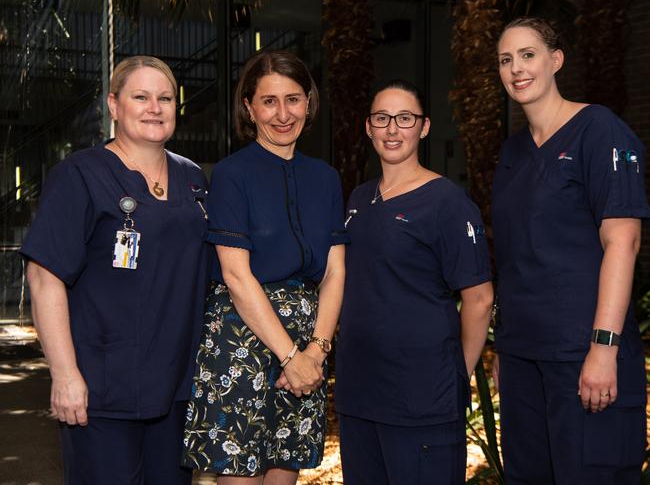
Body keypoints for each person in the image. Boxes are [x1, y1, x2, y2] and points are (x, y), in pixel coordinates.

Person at [21, 55, 210, 485]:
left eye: (165, 98)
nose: (154, 108)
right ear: (113, 104)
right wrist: (65, 374)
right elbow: (44, 276)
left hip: (177, 385)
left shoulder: (193, 178)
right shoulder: (80, 175)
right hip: (102, 384)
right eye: (140, 97)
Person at [492, 17, 649, 484]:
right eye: (505, 59)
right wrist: (505, 347)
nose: (516, 68)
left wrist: (603, 347)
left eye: (528, 54)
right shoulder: (512, 153)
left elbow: (624, 240)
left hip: (583, 353)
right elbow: (516, 257)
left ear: (555, 60)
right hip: (523, 357)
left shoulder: (598, 130)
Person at [181, 50, 347, 485]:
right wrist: (291, 355)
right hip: (242, 339)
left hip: (306, 345)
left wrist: (316, 351)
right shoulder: (232, 175)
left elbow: (334, 272)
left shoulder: (326, 177)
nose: (282, 113)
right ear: (249, 108)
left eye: (293, 99)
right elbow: (236, 276)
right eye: (269, 101)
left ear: (309, 103)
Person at [335, 80, 494, 485]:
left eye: (405, 118)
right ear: (367, 128)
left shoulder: (447, 202)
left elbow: (478, 298)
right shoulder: (358, 198)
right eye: (382, 118)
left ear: (424, 127)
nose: (392, 129)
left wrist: (458, 374)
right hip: (360, 395)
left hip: (422, 397)